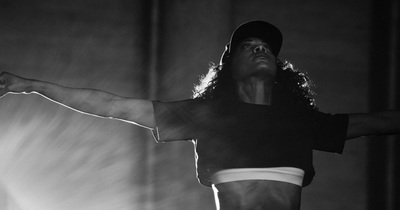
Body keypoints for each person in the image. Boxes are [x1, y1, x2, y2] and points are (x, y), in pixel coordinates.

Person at [0, 20, 399, 210]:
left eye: (267, 47)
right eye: (250, 45)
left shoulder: (302, 121)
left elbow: (381, 122)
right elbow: (111, 105)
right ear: (228, 66)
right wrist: (31, 84)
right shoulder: (206, 114)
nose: (262, 49)